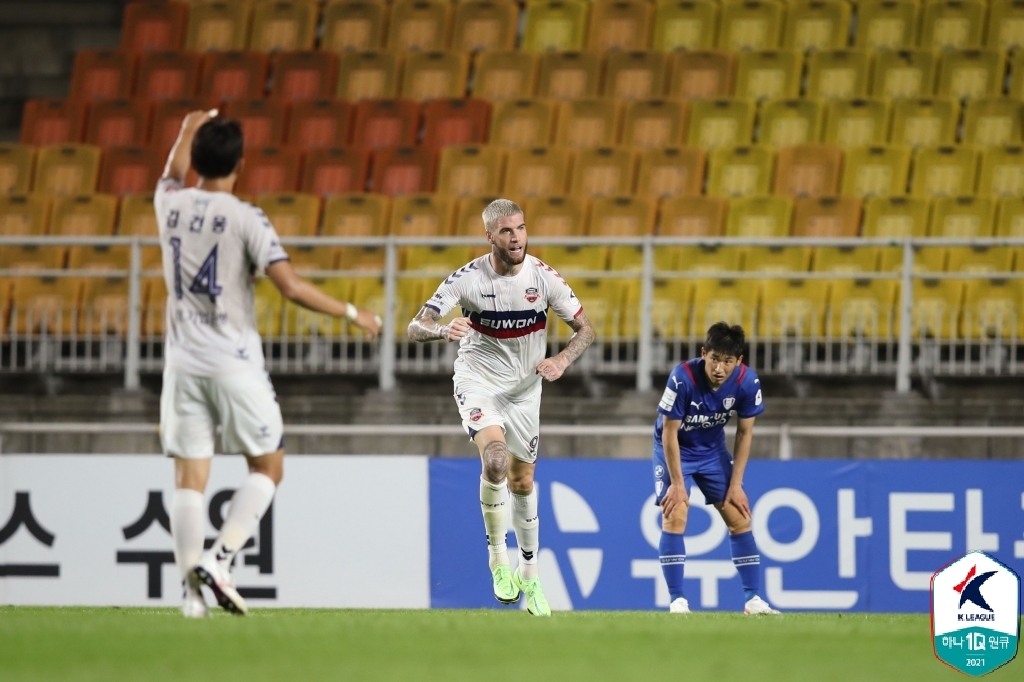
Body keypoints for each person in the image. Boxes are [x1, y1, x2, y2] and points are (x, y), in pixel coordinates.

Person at [156, 111, 381, 618]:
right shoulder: (246, 218)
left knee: (189, 479)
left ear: (196, 161)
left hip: (181, 364)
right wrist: (352, 312)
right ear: (240, 162)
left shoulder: (167, 203)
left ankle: (191, 602)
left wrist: (188, 124)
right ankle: (220, 558)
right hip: (234, 363)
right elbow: (291, 287)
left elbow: (170, 171)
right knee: (268, 466)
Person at [408, 198, 595, 616]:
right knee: (495, 461)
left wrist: (562, 359)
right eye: (507, 232)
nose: (516, 238)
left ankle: (530, 573)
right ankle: (499, 560)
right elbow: (414, 325)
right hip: (479, 382)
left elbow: (585, 328)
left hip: (525, 391)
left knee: (523, 482)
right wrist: (441, 330)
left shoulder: (543, 277)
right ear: (489, 235)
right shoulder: (468, 278)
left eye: (522, 229)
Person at [652, 322, 779, 615]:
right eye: (714, 359)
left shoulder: (747, 383)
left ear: (739, 361)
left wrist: (736, 484)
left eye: (728, 361)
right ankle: (677, 602)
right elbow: (669, 433)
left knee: (739, 517)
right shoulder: (682, 378)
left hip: (711, 452)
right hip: (675, 451)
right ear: (703, 353)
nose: (719, 368)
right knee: (675, 513)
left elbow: (745, 433)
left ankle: (753, 600)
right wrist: (678, 483)